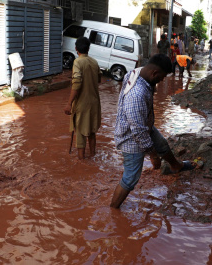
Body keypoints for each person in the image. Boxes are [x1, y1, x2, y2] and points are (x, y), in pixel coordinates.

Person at [110, 54, 196, 209]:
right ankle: (113, 209)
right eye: (161, 78)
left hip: (143, 123)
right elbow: (138, 133)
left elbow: (140, 125)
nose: (162, 81)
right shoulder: (136, 95)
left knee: (162, 143)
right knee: (131, 178)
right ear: (154, 73)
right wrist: (153, 156)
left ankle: (176, 166)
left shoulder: (136, 73)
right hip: (131, 137)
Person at [64, 36, 102, 160]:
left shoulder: (77, 62)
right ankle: (93, 156)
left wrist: (69, 103)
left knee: (80, 130)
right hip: (94, 103)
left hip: (82, 103)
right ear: (88, 49)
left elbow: (77, 83)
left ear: (76, 49)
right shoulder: (94, 62)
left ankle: (81, 162)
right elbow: (99, 79)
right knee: (91, 131)